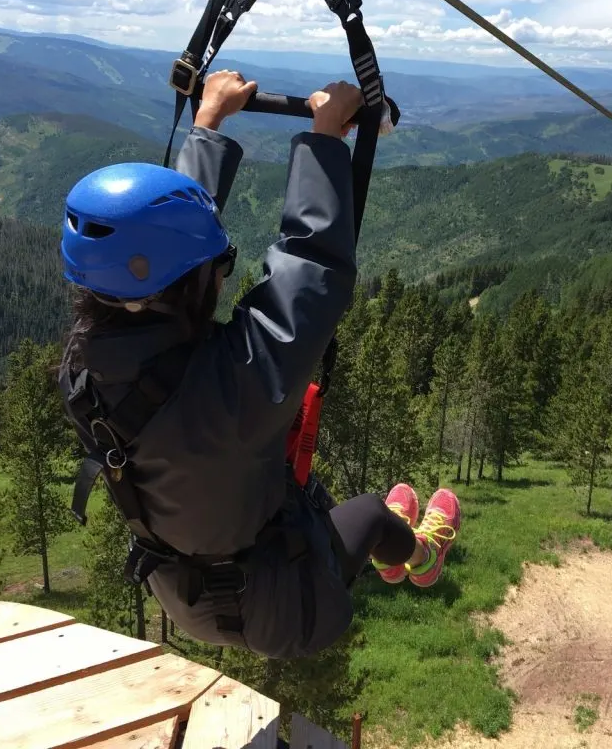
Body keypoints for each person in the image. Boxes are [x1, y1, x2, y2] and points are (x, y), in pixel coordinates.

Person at [57, 70, 461, 660]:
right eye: (220, 260)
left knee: (345, 507)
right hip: (283, 604)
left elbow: (157, 245)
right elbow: (309, 275)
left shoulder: (85, 364)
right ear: (193, 282)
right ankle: (421, 557)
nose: (222, 268)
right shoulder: (233, 385)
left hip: (181, 592)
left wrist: (208, 126)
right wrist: (326, 137)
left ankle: (403, 553)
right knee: (374, 514)